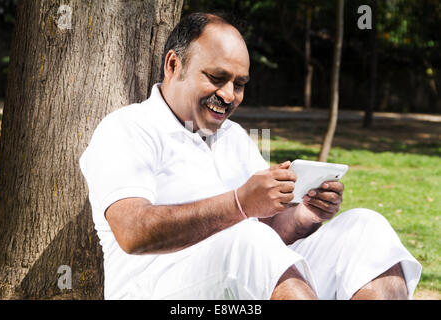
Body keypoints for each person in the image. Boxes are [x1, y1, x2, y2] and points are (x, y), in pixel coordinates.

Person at [79, 12, 421, 300]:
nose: (228, 95)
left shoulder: (235, 137)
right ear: (173, 65)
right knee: (248, 238)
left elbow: (270, 232)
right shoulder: (127, 128)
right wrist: (239, 203)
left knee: (365, 228)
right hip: (159, 290)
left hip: (237, 287)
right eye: (216, 78)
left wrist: (306, 213)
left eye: (239, 84)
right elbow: (132, 231)